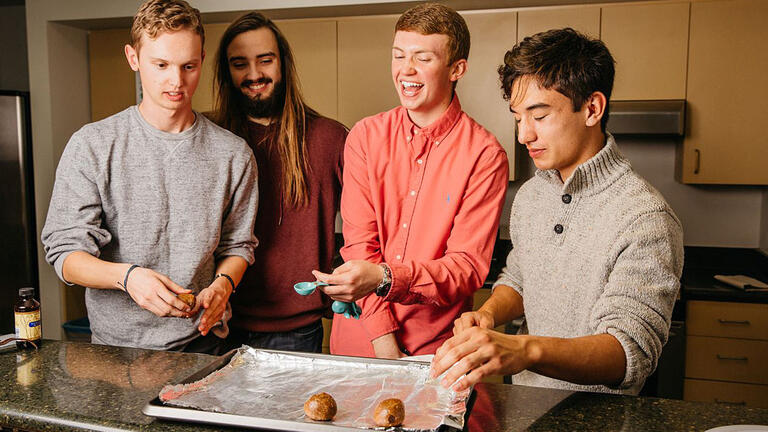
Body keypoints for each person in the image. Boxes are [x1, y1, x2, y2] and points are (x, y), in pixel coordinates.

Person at [430, 28, 684, 395]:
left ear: (592, 109)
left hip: (596, 420)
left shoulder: (644, 217)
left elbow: (629, 354)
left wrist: (525, 348)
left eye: (539, 115)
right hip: (525, 405)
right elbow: (519, 278)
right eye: (518, 118)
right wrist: (490, 314)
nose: (523, 135)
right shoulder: (533, 196)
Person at [40, 0, 259, 354]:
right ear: (133, 58)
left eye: (188, 66)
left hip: (202, 345)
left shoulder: (233, 154)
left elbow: (238, 246)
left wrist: (222, 285)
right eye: (161, 65)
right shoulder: (92, 145)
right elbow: (66, 255)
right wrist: (128, 278)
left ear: (202, 59)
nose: (176, 81)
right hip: (114, 351)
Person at [313, 3, 509, 358]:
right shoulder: (365, 137)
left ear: (457, 69)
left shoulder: (485, 155)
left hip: (437, 354)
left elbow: (465, 268)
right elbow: (360, 248)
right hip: (358, 349)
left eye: (423, 58)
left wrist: (385, 277)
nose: (406, 69)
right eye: (399, 55)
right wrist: (384, 343)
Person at [213, 12, 347, 353]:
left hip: (298, 333)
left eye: (265, 60)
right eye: (240, 63)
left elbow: (371, 228)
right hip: (218, 326)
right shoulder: (211, 140)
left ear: (283, 64)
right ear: (226, 73)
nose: (254, 74)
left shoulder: (329, 138)